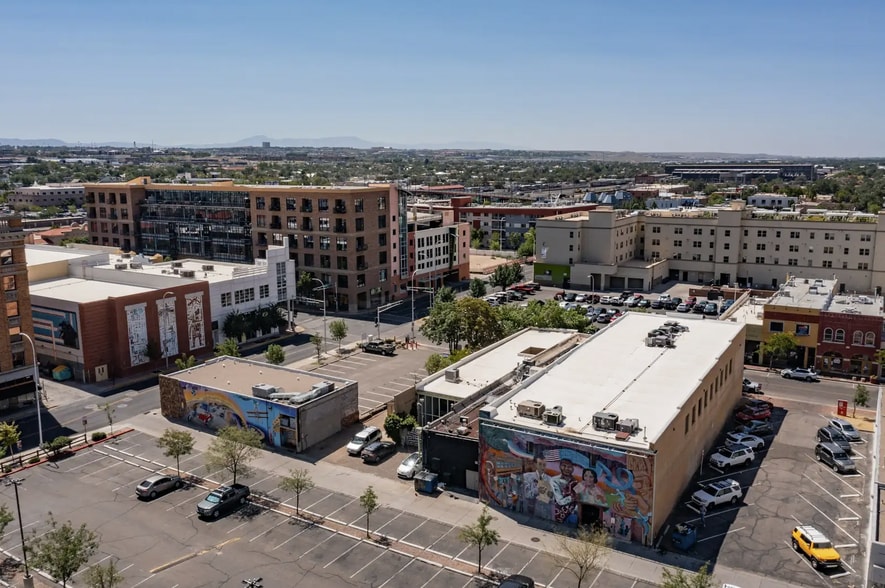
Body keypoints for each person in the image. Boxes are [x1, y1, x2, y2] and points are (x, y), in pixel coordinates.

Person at [549, 458, 579, 523]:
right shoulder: (554, 480)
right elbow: (560, 501)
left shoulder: (575, 482)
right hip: (557, 513)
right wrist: (572, 498)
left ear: (572, 469)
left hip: (572, 515)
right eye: (564, 466)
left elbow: (578, 500)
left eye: (569, 467)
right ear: (560, 467)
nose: (566, 469)